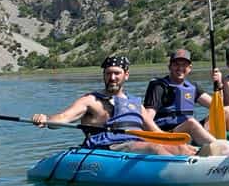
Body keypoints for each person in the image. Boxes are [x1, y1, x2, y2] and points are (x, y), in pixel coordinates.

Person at [31, 55, 202, 155]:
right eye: (108, 74)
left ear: (126, 75)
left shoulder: (136, 103)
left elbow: (156, 133)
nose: (112, 78)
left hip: (137, 144)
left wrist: (182, 146)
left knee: (180, 147)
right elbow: (63, 118)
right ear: (104, 76)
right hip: (109, 148)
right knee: (153, 147)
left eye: (117, 74)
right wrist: (46, 119)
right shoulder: (90, 100)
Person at [143, 48, 229, 146]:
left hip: (192, 133)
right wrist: (160, 137)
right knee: (191, 123)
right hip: (170, 134)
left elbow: (218, 108)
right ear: (169, 66)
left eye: (184, 65)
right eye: (176, 64)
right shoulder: (158, 86)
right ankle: (225, 149)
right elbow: (147, 118)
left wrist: (219, 85)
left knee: (227, 110)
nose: (180, 68)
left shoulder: (192, 87)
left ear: (190, 68)